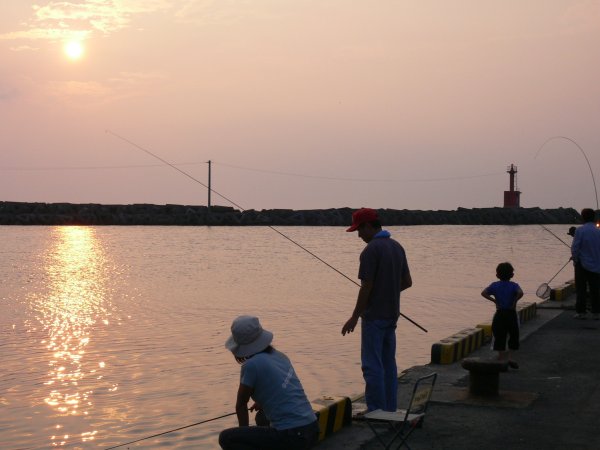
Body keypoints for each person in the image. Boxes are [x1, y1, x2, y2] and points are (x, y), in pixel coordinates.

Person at [342, 208, 412, 412]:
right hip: (392, 316)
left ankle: (376, 411)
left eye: (359, 230)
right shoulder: (397, 246)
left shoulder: (371, 250)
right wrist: (388, 291)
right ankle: (389, 408)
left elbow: (367, 286)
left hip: (373, 318)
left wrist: (354, 316)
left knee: (372, 366)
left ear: (368, 226)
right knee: (389, 366)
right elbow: (407, 282)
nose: (358, 235)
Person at [219, 315, 319, 450]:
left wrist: (244, 434)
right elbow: (284, 387)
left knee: (227, 437)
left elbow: (241, 405)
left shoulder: (251, 365)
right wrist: (262, 401)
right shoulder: (280, 356)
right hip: (311, 429)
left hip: (291, 436)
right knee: (261, 418)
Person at [481, 262, 524, 369]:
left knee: (499, 335)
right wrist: (514, 302)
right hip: (511, 313)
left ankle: (501, 357)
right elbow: (520, 293)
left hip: (500, 313)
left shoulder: (494, 285)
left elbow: (484, 293)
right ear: (512, 275)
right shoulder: (514, 285)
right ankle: (509, 357)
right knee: (514, 334)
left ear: (497, 275)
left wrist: (494, 301)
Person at [571, 208, 600, 319]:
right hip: (597, 264)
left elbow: (575, 248)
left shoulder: (580, 230)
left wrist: (575, 260)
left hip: (582, 265)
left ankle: (581, 312)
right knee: (595, 289)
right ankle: (596, 312)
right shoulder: (598, 231)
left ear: (583, 217)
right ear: (594, 218)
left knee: (581, 289)